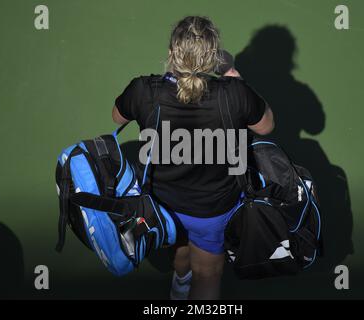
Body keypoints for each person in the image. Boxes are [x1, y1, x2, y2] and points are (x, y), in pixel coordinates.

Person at [112, 16, 274, 300]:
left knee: (179, 242)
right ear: (212, 57)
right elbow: (266, 126)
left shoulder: (142, 91)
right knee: (208, 275)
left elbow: (117, 116)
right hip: (213, 210)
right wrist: (236, 79)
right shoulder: (235, 94)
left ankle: (179, 286)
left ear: (172, 53)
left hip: (161, 204)